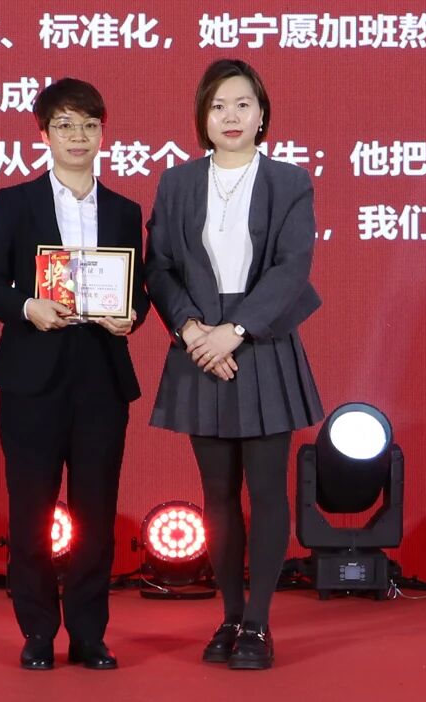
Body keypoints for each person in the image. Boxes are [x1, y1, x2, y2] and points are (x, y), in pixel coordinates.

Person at [145, 59, 323, 670]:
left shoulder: (289, 181)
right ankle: (229, 615)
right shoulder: (177, 183)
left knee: (267, 490)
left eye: (243, 104)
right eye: (218, 105)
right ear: (203, 116)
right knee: (217, 494)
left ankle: (259, 623)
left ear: (262, 114)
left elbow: (292, 268)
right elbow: (159, 266)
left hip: (262, 343)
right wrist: (193, 330)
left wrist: (235, 331)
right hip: (199, 345)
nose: (231, 116)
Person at [0, 78, 148, 671]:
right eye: (66, 125)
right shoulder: (16, 202)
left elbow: (139, 290)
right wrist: (28, 306)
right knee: (31, 514)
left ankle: (90, 635)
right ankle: (39, 632)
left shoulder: (124, 210)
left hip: (101, 379)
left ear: (102, 134)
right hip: (32, 380)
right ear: (43, 133)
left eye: (89, 125)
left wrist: (131, 315)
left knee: (96, 514)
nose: (79, 136)